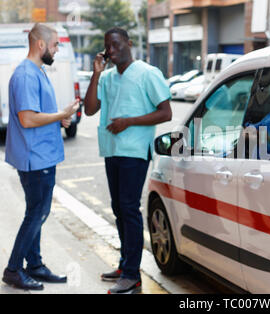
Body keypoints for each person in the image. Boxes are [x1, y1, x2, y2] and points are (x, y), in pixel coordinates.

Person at [84, 27, 172, 294]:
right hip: (112, 149)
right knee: (119, 209)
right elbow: (89, 109)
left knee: (129, 208)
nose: (111, 51)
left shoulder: (147, 73)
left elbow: (166, 112)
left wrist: (129, 122)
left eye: (115, 45)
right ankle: (125, 264)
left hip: (134, 151)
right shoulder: (108, 77)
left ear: (129, 44)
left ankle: (132, 274)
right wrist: (96, 72)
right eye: (107, 47)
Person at [2, 23, 80, 291]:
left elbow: (37, 113)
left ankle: (34, 264)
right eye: (56, 44)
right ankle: (13, 269)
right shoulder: (26, 75)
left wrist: (58, 119)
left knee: (37, 212)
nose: (57, 49)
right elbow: (27, 118)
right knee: (37, 213)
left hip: (41, 155)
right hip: (35, 158)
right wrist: (60, 115)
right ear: (41, 44)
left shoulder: (36, 71)